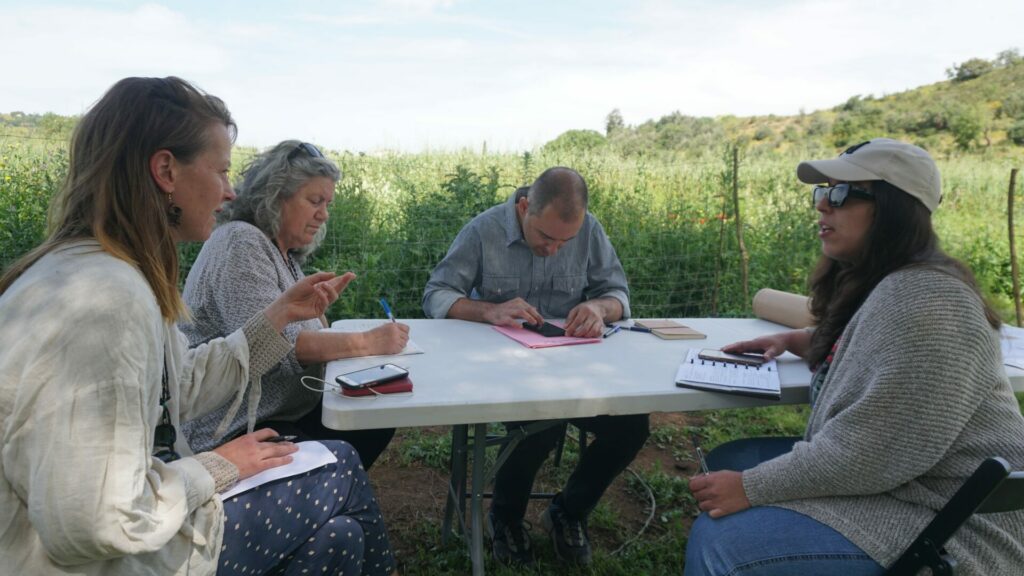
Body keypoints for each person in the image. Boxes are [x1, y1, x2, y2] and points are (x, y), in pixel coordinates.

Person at [0, 77, 395, 576]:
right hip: (114, 560)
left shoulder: (109, 272)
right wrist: (220, 466)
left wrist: (273, 320)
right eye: (222, 170)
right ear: (166, 170)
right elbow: (98, 522)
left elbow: (176, 385)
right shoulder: (105, 301)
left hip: (133, 528)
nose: (230, 190)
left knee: (340, 539)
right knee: (338, 463)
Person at [685, 139, 1024, 576]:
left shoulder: (928, 299)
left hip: (955, 523)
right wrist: (798, 339)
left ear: (893, 209)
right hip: (908, 487)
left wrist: (751, 488)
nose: (823, 205)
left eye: (842, 194)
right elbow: (872, 345)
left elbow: (871, 454)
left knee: (724, 545)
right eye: (822, 193)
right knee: (729, 458)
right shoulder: (895, 284)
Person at [422, 167, 650, 566]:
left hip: (576, 369)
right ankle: (505, 518)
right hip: (503, 371)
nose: (554, 250)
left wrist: (597, 307)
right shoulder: (483, 231)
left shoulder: (590, 230)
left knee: (632, 426)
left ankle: (568, 511)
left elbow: (618, 295)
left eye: (567, 241)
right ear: (525, 206)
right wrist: (489, 310)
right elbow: (437, 295)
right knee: (539, 424)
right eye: (545, 237)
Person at [180, 140, 407, 468]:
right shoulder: (241, 242)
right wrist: (368, 342)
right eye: (315, 200)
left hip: (284, 411)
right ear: (275, 197)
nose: (324, 214)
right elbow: (271, 349)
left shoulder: (280, 254)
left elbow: (293, 332)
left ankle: (333, 501)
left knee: (374, 417)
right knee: (344, 452)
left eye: (327, 203)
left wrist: (317, 316)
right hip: (234, 427)